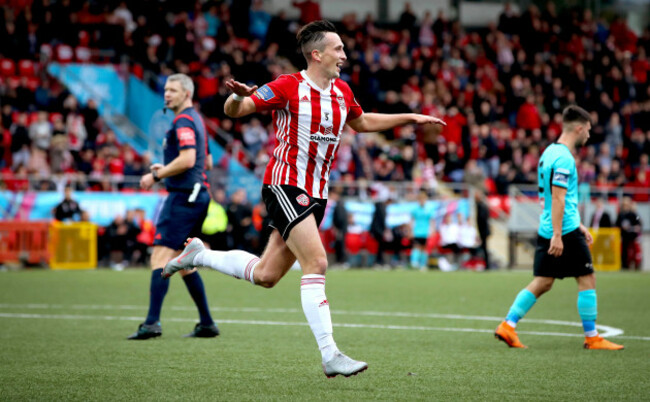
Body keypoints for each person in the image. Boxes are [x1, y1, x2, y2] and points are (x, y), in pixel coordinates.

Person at [162, 20, 445, 377]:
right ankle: (330, 354)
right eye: (337, 48)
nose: (344, 54)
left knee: (266, 275)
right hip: (285, 185)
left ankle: (199, 254)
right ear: (317, 54)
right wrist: (236, 96)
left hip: (317, 194)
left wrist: (410, 118)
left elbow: (361, 122)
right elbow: (238, 110)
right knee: (317, 262)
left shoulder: (342, 91)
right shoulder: (288, 86)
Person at [495, 105, 623, 350]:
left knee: (543, 281)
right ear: (578, 128)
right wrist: (559, 234)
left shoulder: (549, 152)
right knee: (587, 278)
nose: (588, 135)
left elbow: (558, 198)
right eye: (587, 130)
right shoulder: (565, 158)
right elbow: (558, 197)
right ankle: (592, 337)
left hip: (552, 226)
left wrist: (579, 225)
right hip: (561, 230)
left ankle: (508, 325)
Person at [128, 73, 219, 340]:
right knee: (185, 262)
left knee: (159, 257)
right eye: (166, 90)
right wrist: (169, 169)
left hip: (183, 197)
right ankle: (206, 323)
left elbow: (190, 159)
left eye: (173, 90)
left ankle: (151, 323)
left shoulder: (183, 120)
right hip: (197, 194)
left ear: (186, 94)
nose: (167, 94)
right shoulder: (197, 120)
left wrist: (157, 175)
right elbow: (208, 162)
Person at [615, 197, 642, 270]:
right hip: (624, 237)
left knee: (633, 253)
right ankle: (624, 266)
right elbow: (616, 225)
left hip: (632, 237)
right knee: (624, 253)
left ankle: (635, 266)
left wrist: (631, 228)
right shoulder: (621, 215)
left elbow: (638, 225)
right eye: (624, 205)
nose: (625, 207)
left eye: (626, 205)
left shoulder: (633, 214)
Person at [410, 191, 434, 270]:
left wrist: (432, 230)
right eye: (420, 199)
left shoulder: (428, 210)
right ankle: (414, 263)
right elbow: (412, 220)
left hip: (425, 231)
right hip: (417, 231)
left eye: (423, 199)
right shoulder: (415, 210)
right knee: (416, 247)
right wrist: (411, 230)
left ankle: (422, 264)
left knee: (424, 248)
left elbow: (431, 221)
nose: (422, 201)